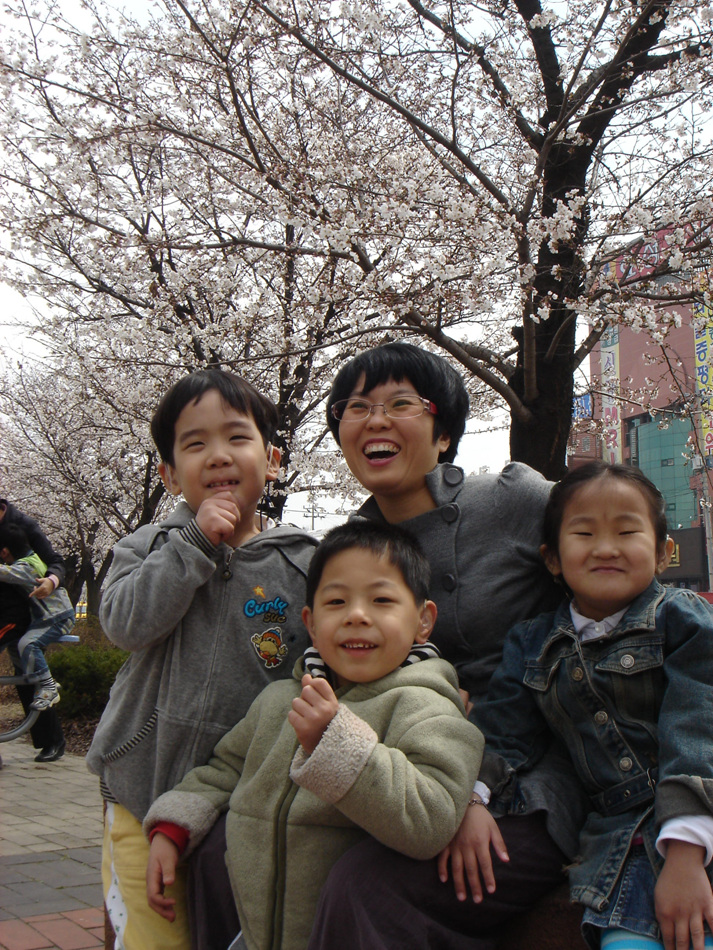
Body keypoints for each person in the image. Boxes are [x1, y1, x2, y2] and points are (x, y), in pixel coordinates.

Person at [304, 341, 589, 950]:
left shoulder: (510, 499)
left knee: (369, 888)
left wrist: (473, 792)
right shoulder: (351, 549)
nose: (375, 419)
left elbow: (611, 543)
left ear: (443, 433)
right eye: (354, 408)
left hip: (530, 776)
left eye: (400, 403)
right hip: (406, 772)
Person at [144, 520, 484, 950]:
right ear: (311, 622)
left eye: (381, 600)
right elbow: (224, 768)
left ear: (423, 621)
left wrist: (335, 742)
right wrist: (173, 827)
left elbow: (431, 819)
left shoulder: (428, 708)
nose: (357, 615)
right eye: (337, 601)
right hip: (252, 933)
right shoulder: (278, 701)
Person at [85, 369, 318, 950]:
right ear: (169, 474)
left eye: (236, 438)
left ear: (272, 460)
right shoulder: (148, 547)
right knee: (152, 934)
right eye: (195, 444)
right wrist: (191, 548)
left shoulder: (304, 564)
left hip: (238, 795)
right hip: (141, 781)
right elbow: (123, 624)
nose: (217, 456)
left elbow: (326, 656)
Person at [473, 461, 713, 950]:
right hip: (619, 838)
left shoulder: (683, 619)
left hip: (699, 813)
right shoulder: (532, 643)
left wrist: (687, 850)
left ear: (665, 552)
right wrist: (474, 799)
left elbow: (699, 720)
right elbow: (504, 731)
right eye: (583, 533)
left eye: (627, 530)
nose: (606, 547)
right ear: (553, 559)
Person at [0, 497, 67, 762]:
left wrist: (52, 580)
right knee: (27, 674)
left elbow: (56, 561)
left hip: (21, 611)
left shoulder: (23, 525)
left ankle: (52, 741)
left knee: (29, 675)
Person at [0, 524, 76, 709]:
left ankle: (48, 686)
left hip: (57, 617)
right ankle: (42, 681)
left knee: (28, 644)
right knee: (22, 647)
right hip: (45, 618)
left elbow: (5, 573)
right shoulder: (33, 558)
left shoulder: (27, 566)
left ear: (5, 551)